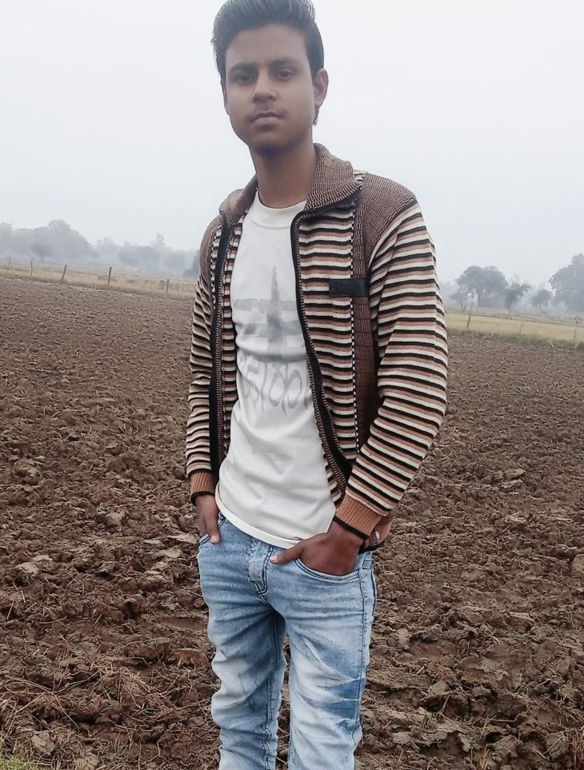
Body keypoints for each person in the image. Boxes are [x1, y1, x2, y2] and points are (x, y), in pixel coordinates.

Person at [185, 1, 448, 767]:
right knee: (239, 732)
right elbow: (204, 372)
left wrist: (350, 530)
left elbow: (419, 382)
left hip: (324, 552)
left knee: (322, 749)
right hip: (231, 538)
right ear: (225, 95)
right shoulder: (223, 233)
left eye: (282, 71)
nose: (262, 89)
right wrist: (202, 484)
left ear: (319, 85)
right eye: (243, 75)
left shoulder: (381, 216)